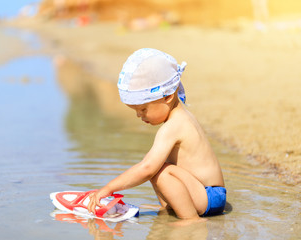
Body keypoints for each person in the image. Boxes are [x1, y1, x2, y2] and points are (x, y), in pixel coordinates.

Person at [87, 48, 226, 224]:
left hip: (209, 196)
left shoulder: (174, 126)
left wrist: (108, 188)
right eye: (136, 111)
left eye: (143, 109)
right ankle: (168, 211)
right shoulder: (183, 117)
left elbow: (147, 168)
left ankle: (191, 221)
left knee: (158, 170)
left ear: (167, 96)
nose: (139, 115)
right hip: (204, 192)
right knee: (159, 167)